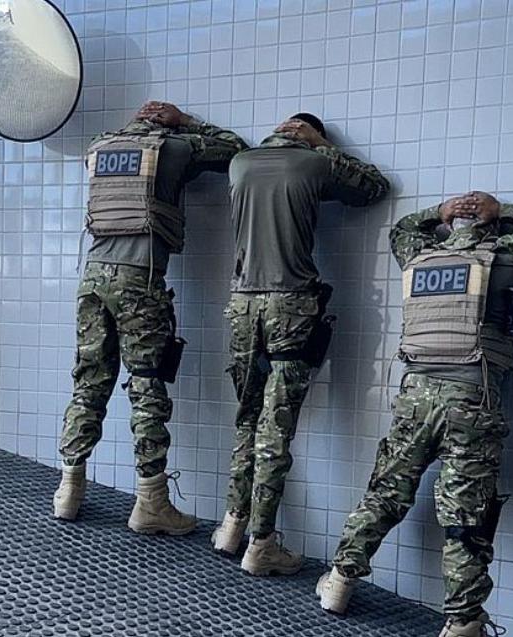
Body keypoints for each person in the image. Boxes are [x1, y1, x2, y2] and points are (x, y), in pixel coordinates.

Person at [316, 192, 513, 636]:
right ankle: (462, 622)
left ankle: (339, 583)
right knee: (464, 518)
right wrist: (504, 211)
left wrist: (438, 213)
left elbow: (402, 228)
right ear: (490, 228)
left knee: (384, 494)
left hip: (414, 396)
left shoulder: (418, 255)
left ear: (448, 228)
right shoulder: (505, 255)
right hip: (471, 399)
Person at [53, 102, 248, 535]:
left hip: (92, 278)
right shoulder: (174, 148)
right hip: (139, 280)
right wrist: (187, 121)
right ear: (164, 122)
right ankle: (151, 501)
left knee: (89, 382)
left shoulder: (99, 146)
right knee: (146, 385)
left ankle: (69, 488)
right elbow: (235, 149)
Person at [211, 114, 390, 575]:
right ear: (309, 134)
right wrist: (322, 146)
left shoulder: (241, 162)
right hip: (290, 306)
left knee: (248, 416)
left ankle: (232, 523)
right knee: (277, 427)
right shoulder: (312, 163)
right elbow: (373, 187)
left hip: (241, 305)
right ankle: (261, 544)